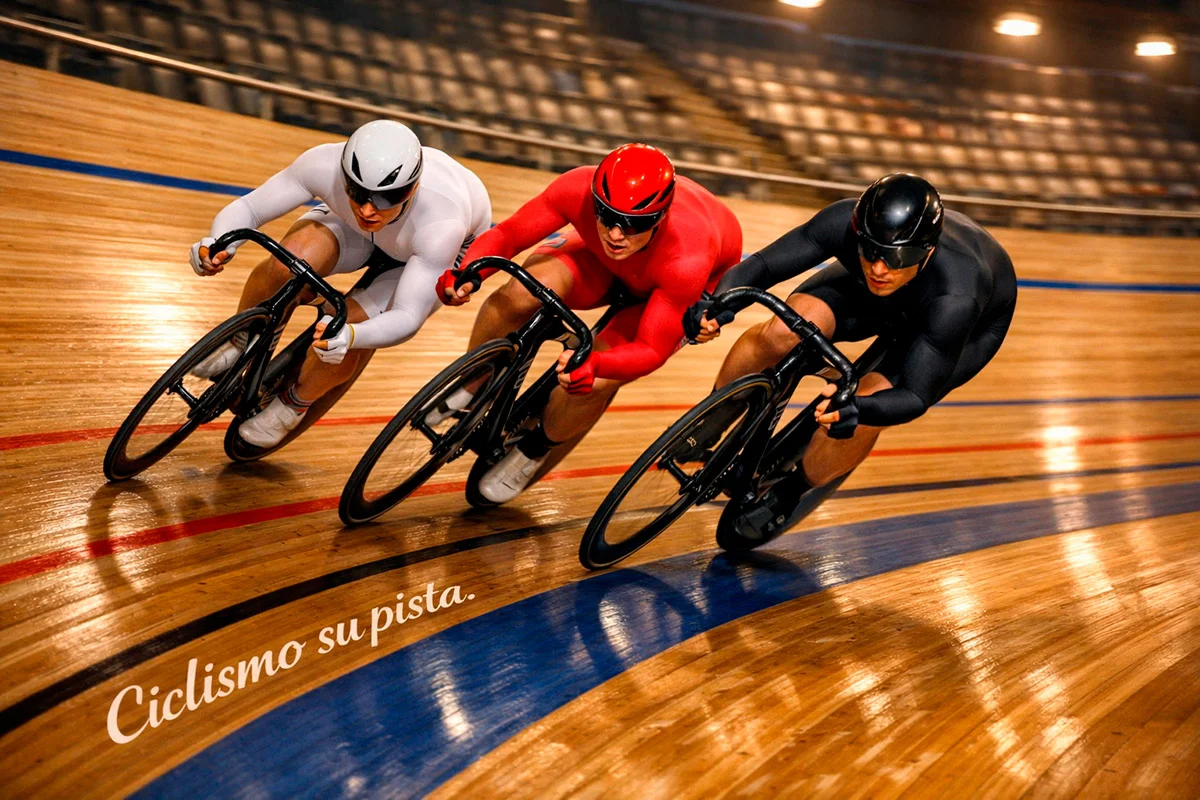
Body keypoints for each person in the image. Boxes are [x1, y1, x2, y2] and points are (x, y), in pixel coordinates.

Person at [685, 173, 1017, 543]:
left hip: (967, 323)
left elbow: (914, 396)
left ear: (927, 251)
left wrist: (860, 411)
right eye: (871, 250)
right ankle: (711, 418)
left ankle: (792, 490)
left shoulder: (957, 297)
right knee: (781, 331)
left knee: (870, 400)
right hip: (875, 296)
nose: (879, 269)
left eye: (897, 258)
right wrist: (717, 303)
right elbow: (763, 267)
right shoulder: (847, 225)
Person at [436, 143, 743, 504]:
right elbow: (508, 235)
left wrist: (597, 363)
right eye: (606, 215)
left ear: (660, 218)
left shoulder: (688, 256)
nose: (616, 234)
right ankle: (476, 383)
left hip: (668, 286)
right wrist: (469, 271)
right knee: (518, 294)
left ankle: (536, 448)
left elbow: (650, 349)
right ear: (594, 198)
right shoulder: (577, 188)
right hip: (603, 262)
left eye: (635, 224)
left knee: (596, 378)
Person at [188, 119, 491, 447]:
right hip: (363, 233)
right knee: (285, 263)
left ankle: (295, 403)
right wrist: (218, 241)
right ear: (345, 174)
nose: (368, 208)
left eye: (387, 197)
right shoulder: (323, 164)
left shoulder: (442, 222)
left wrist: (352, 335)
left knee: (349, 329)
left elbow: (406, 316)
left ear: (413, 187)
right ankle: (239, 341)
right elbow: (249, 208)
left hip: (427, 250)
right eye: (357, 192)